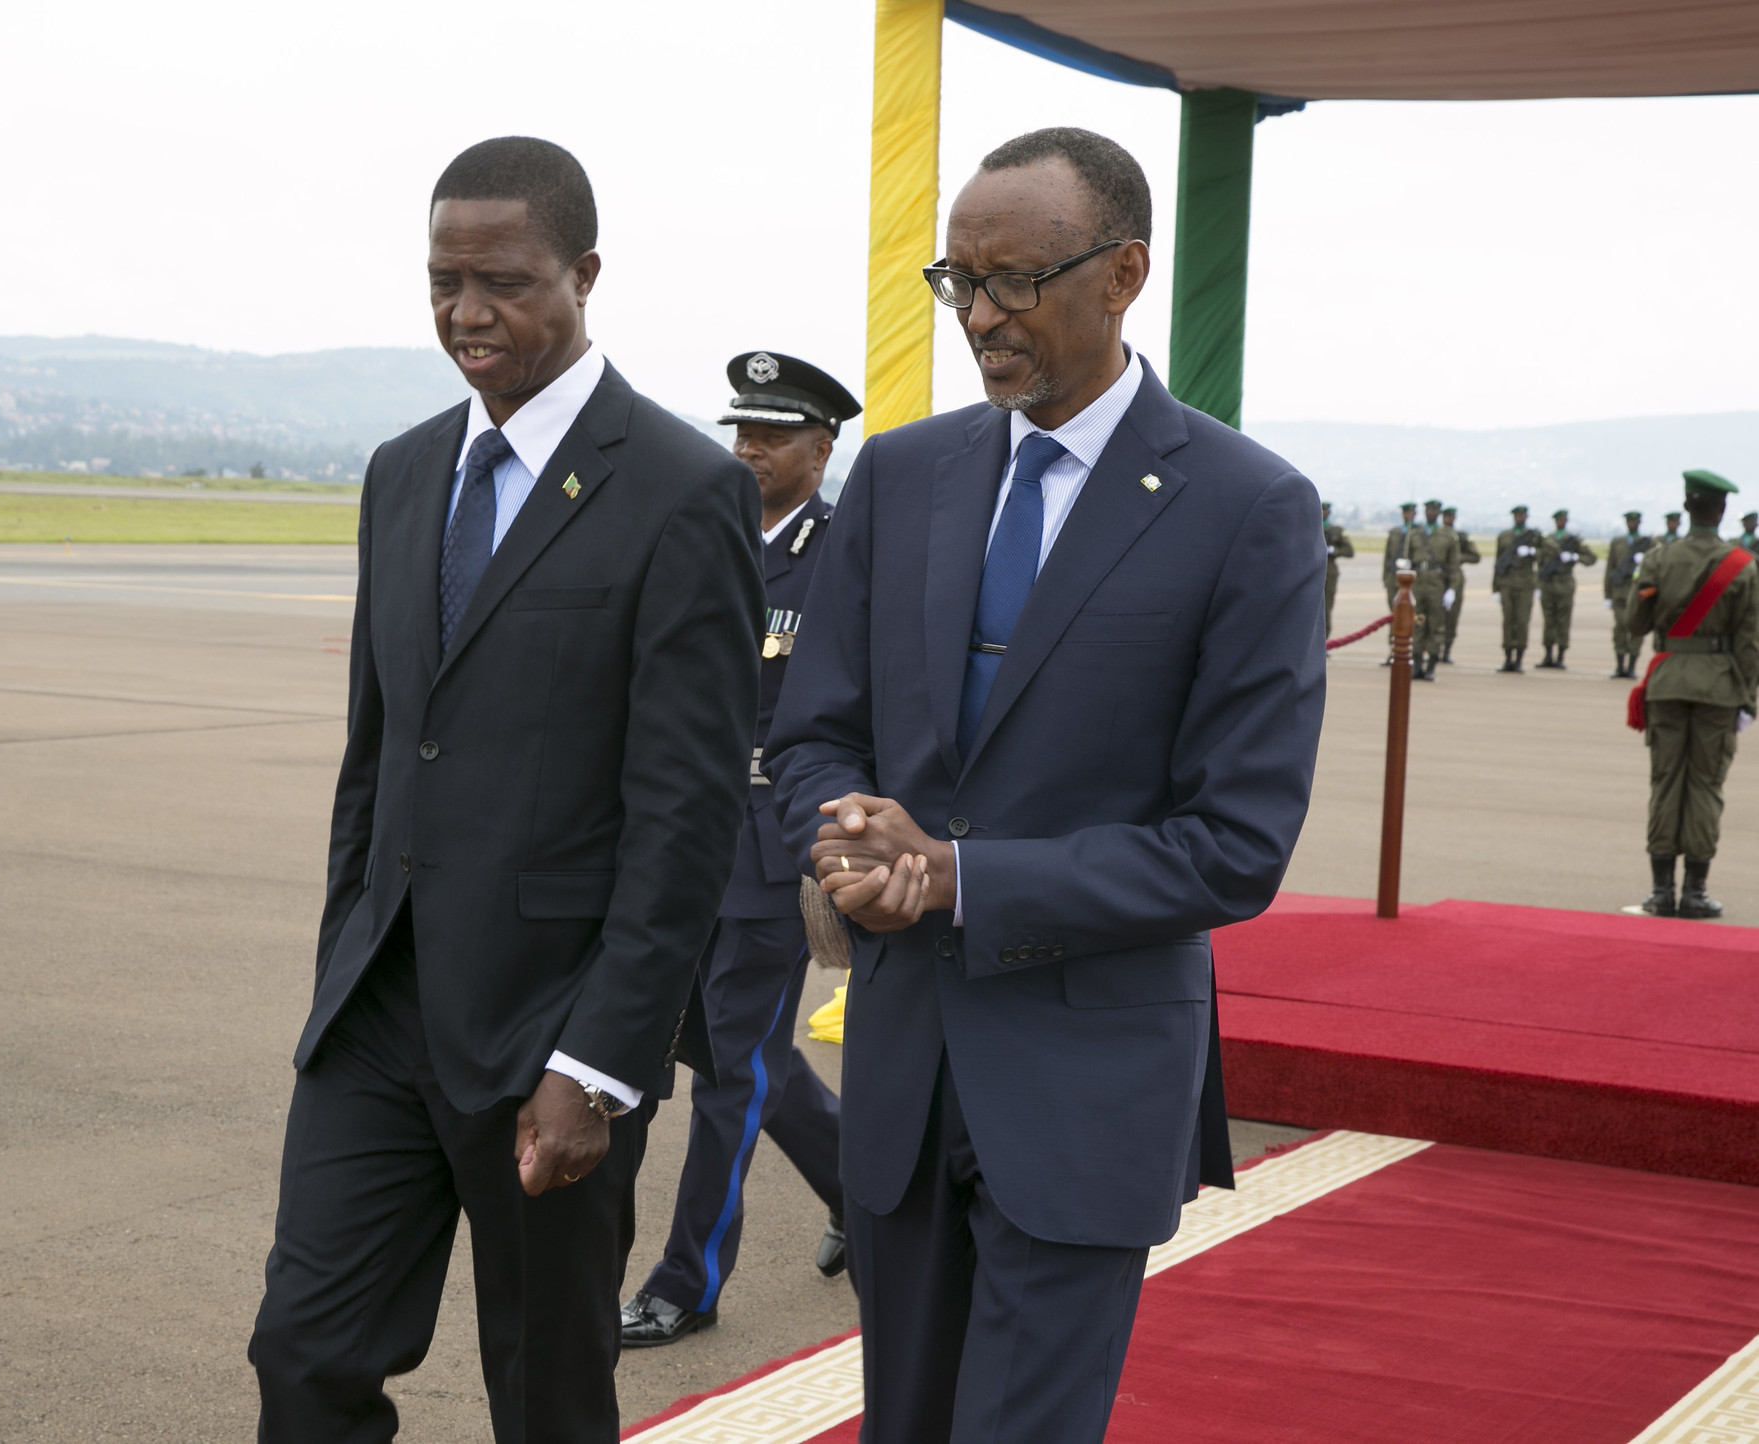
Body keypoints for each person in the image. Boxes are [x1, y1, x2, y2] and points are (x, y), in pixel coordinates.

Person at [765, 126, 1324, 1444]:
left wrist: (955, 879)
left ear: (1123, 273)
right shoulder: (901, 477)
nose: (977, 315)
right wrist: (844, 838)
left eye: (1012, 280)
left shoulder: (1244, 509)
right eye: (954, 279)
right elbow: (810, 733)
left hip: (1082, 1091)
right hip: (902, 1080)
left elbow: (1230, 846)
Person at [247, 136, 764, 1444]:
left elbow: (686, 816)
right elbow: (377, 753)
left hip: (550, 1028)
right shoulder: (404, 470)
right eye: (441, 280)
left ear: (584, 274)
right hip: (380, 1012)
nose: (466, 313)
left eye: (504, 281)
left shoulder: (682, 489)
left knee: (543, 1392)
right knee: (304, 1356)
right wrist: (337, 966)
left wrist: (598, 1063)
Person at [620, 352, 856, 1348]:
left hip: (770, 847)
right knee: (736, 1054)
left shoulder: (841, 553)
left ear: (822, 446)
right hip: (683, 839)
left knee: (730, 1075)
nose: (748, 449)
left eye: (772, 434)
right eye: (741, 431)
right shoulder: (702, 531)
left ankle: (687, 1282)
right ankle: (862, 1190)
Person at [1627, 470, 1756, 919]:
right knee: (1705, 785)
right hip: (1719, 688)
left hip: (1667, 683)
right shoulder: (1742, 565)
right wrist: (1748, 700)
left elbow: (1636, 624)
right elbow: (1750, 642)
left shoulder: (1658, 559)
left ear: (1687, 507)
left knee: (1666, 783)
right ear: (1721, 511)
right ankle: (1696, 893)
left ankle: (1661, 891)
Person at [1534, 508, 1598, 669]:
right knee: (1548, 621)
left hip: (1564, 585)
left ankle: (1560, 656)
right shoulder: (1547, 540)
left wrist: (1575, 557)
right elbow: (1540, 561)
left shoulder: (1572, 541)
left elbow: (1591, 558)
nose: (1560, 522)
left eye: (1563, 519)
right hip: (1548, 584)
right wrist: (1538, 584)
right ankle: (1548, 655)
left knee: (1563, 621)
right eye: (1558, 520)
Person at [1406, 498, 1462, 681]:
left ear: (1438, 513)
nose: (1431, 513)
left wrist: (1452, 589)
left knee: (1436, 626)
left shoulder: (1448, 536)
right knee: (1416, 624)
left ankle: (1431, 666)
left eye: (1434, 510)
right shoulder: (1414, 534)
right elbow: (1406, 562)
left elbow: (1454, 566)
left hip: (1437, 584)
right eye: (1428, 510)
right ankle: (1417, 664)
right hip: (1418, 582)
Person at [1605, 511, 1655, 679]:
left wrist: (1645, 559)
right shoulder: (1617, 542)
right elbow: (1610, 569)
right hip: (1619, 592)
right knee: (1620, 627)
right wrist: (1607, 594)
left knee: (1636, 629)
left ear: (1639, 522)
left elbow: (1654, 568)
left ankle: (1631, 666)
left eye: (1634, 521)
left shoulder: (1647, 544)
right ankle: (1619, 666)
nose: (1631, 523)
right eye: (1629, 521)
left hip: (1638, 592)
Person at [1493, 505, 1542, 673]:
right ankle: (1507, 658)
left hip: (1525, 585)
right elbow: (1498, 563)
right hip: (1507, 584)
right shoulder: (1505, 536)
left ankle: (1519, 659)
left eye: (1522, 515)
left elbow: (1548, 553)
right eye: (1516, 515)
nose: (1519, 518)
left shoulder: (1533, 537)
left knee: (1522, 621)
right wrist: (1496, 588)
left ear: (1526, 517)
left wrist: (1532, 551)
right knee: (1508, 622)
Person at [1381, 501, 1419, 665]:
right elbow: (1388, 556)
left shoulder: (1419, 533)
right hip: (1393, 578)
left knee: (1409, 617)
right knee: (1394, 616)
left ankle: (1410, 651)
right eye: (1405, 512)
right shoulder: (1395, 533)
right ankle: (1393, 651)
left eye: (1410, 512)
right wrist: (1385, 578)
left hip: (1410, 581)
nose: (1407, 515)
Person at [1442, 505, 1480, 663]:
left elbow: (1475, 556)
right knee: (1434, 617)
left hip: (1455, 579)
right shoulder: (1434, 536)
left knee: (1452, 617)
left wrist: (1458, 558)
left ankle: (1446, 651)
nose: (1448, 519)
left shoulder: (1461, 537)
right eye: (1446, 516)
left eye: (1451, 517)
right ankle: (1432, 651)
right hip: (1438, 579)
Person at [1322, 501, 1354, 637]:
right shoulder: (1309, 527)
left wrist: (1334, 551)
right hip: (1312, 571)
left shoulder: (1335, 531)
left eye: (1325, 510)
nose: (1322, 513)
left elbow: (1349, 551)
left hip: (1329, 571)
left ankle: (1325, 641)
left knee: (1326, 608)